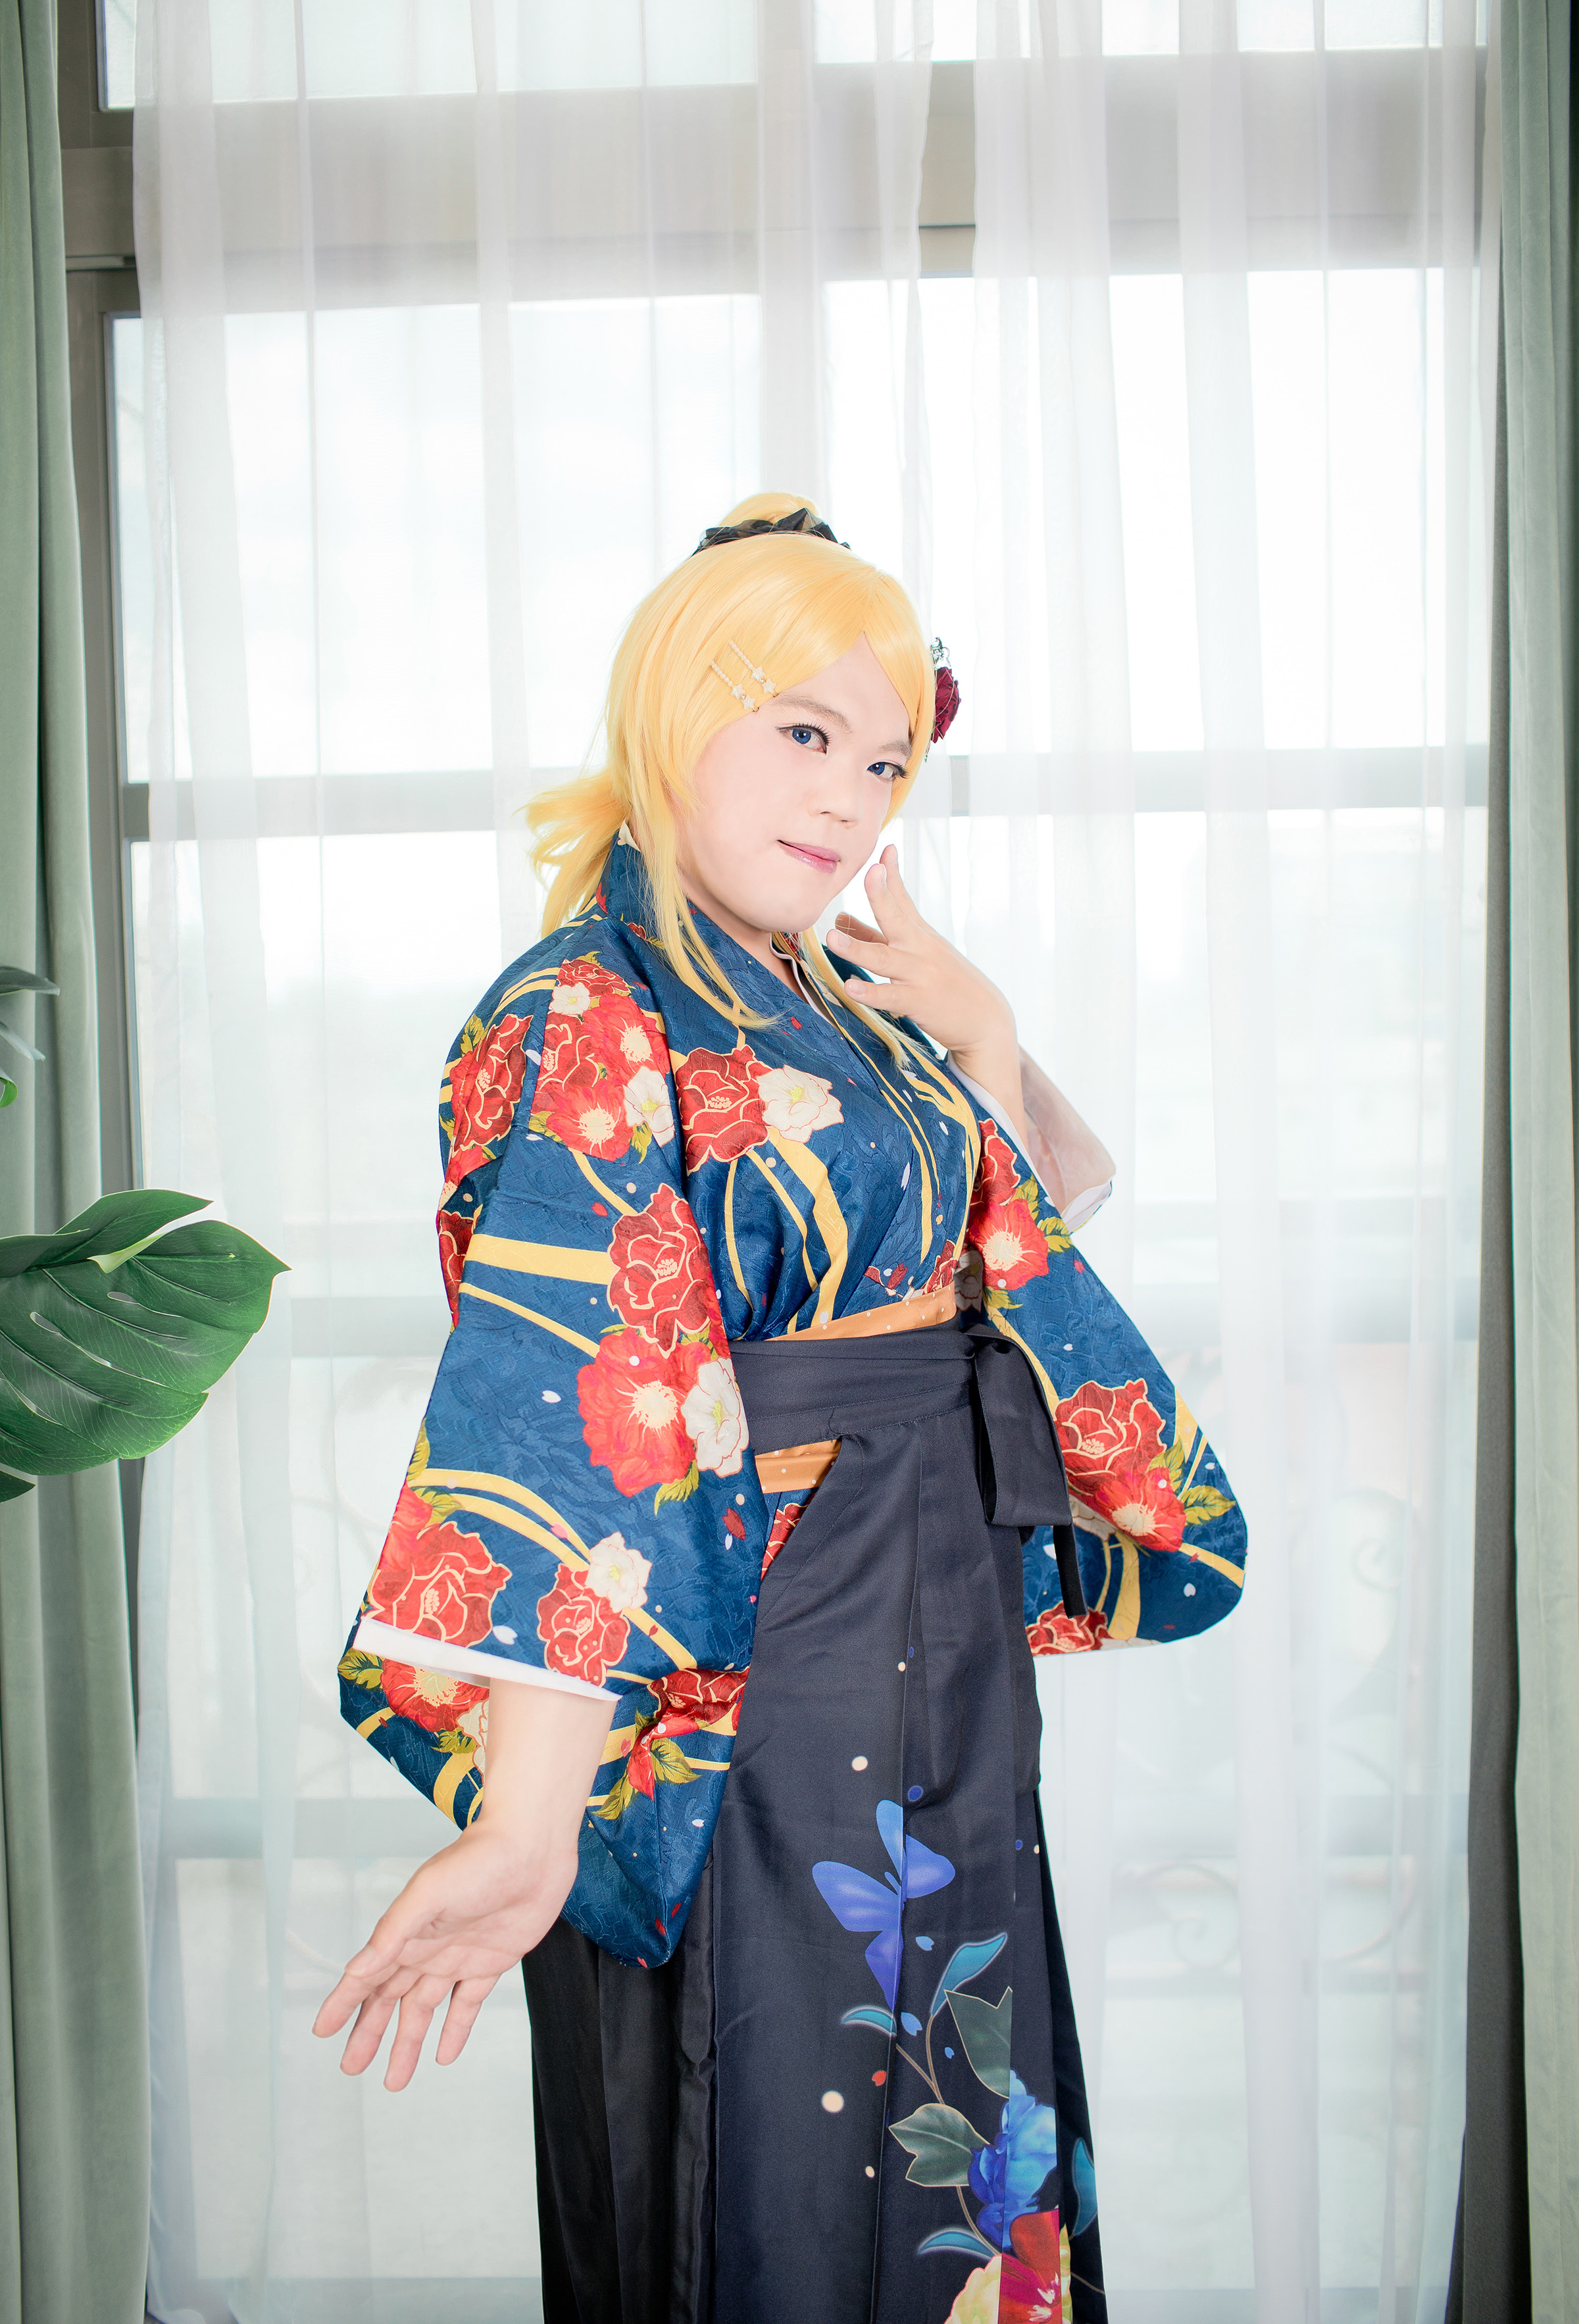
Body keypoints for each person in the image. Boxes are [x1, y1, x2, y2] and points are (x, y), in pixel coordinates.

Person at [316, 495, 1247, 2324]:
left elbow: (1012, 1233)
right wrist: (528, 1826)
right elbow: (577, 1415)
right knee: (773, 2130)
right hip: (763, 1628)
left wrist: (983, 1035)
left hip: (934, 1609)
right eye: (806, 733)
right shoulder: (590, 1007)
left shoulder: (832, 995)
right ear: (676, 715)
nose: (849, 799)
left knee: (956, 2103)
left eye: (886, 761)